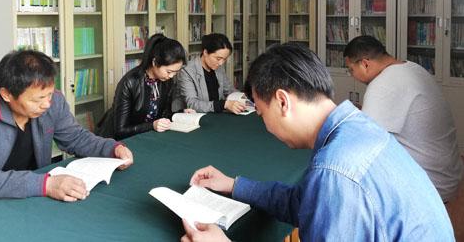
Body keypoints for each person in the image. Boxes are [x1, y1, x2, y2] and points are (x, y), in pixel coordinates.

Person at [181, 43, 454, 241]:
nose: (265, 126)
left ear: (283, 101)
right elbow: (306, 203)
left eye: (262, 114)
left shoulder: (336, 170)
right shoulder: (356, 128)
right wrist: (234, 185)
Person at [0, 50, 133, 210]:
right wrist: (46, 184)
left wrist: (111, 149)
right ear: (7, 95)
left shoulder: (53, 101)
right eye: (38, 99)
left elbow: (75, 137)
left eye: (49, 94)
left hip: (16, 197)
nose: (47, 104)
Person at [344, 35, 464, 238]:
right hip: (450, 172)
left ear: (365, 64)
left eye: (351, 70)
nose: (351, 76)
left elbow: (362, 140)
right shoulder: (412, 68)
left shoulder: (382, 84)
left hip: (432, 183)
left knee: (352, 177)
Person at [97, 33, 187, 140]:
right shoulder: (130, 82)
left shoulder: (166, 81)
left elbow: (163, 115)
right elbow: (120, 131)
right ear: (155, 62)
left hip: (146, 137)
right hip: (118, 141)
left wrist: (180, 114)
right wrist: (152, 126)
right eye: (169, 71)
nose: (171, 76)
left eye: (176, 72)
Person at [173, 33, 245, 114]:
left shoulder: (218, 68)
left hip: (215, 115)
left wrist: (242, 97)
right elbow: (192, 104)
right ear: (205, 52)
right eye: (218, 58)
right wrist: (223, 105)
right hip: (194, 117)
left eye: (224, 59)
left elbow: (229, 90)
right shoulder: (187, 71)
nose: (221, 63)